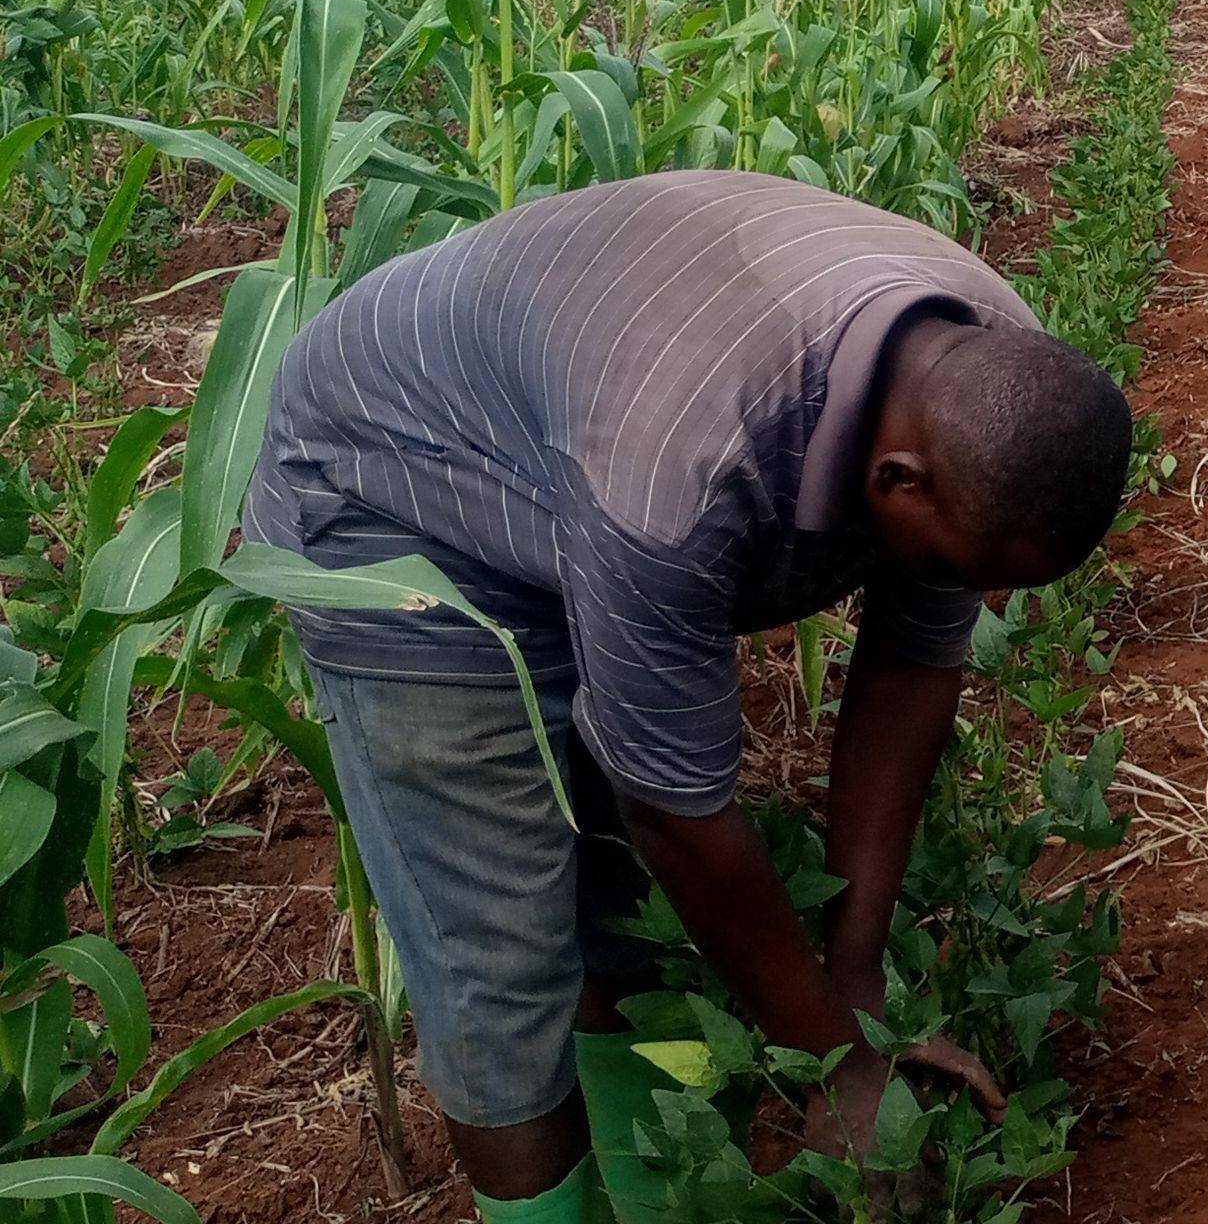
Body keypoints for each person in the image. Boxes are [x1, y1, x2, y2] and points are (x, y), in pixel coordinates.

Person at [242, 169, 1135, 1223]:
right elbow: (673, 804)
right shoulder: (678, 471)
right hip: (393, 489)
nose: (962, 594)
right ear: (897, 480)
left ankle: (653, 1199)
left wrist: (851, 984)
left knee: (624, 915)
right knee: (501, 958)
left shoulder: (996, 381)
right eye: (955, 567)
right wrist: (835, 1062)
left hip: (570, 431)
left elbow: (913, 668)